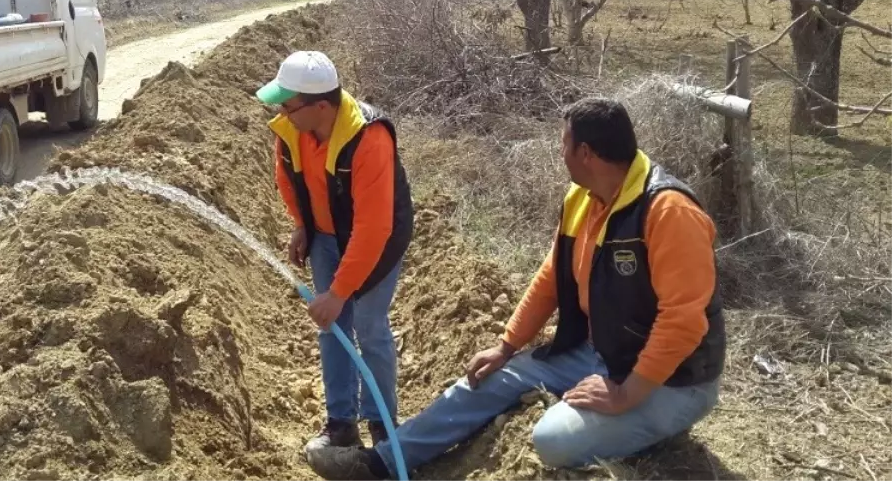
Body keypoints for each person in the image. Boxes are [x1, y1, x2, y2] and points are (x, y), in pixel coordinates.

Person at [305, 97, 725, 480]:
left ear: (586, 153)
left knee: (552, 440)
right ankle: (383, 461)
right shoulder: (584, 198)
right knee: (485, 380)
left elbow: (683, 320)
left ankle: (655, 432)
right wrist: (506, 346)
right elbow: (550, 280)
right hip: (600, 354)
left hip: (672, 381)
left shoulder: (668, 212)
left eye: (564, 145)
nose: (559, 154)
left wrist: (627, 392)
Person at [256, 50, 415, 452]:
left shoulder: (368, 137)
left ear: (320, 106)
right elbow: (289, 179)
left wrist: (340, 291)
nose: (281, 112)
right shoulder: (292, 130)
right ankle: (341, 422)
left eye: (288, 104)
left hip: (377, 239)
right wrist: (302, 225)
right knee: (332, 329)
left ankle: (382, 424)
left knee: (369, 325)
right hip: (327, 237)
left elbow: (373, 227)